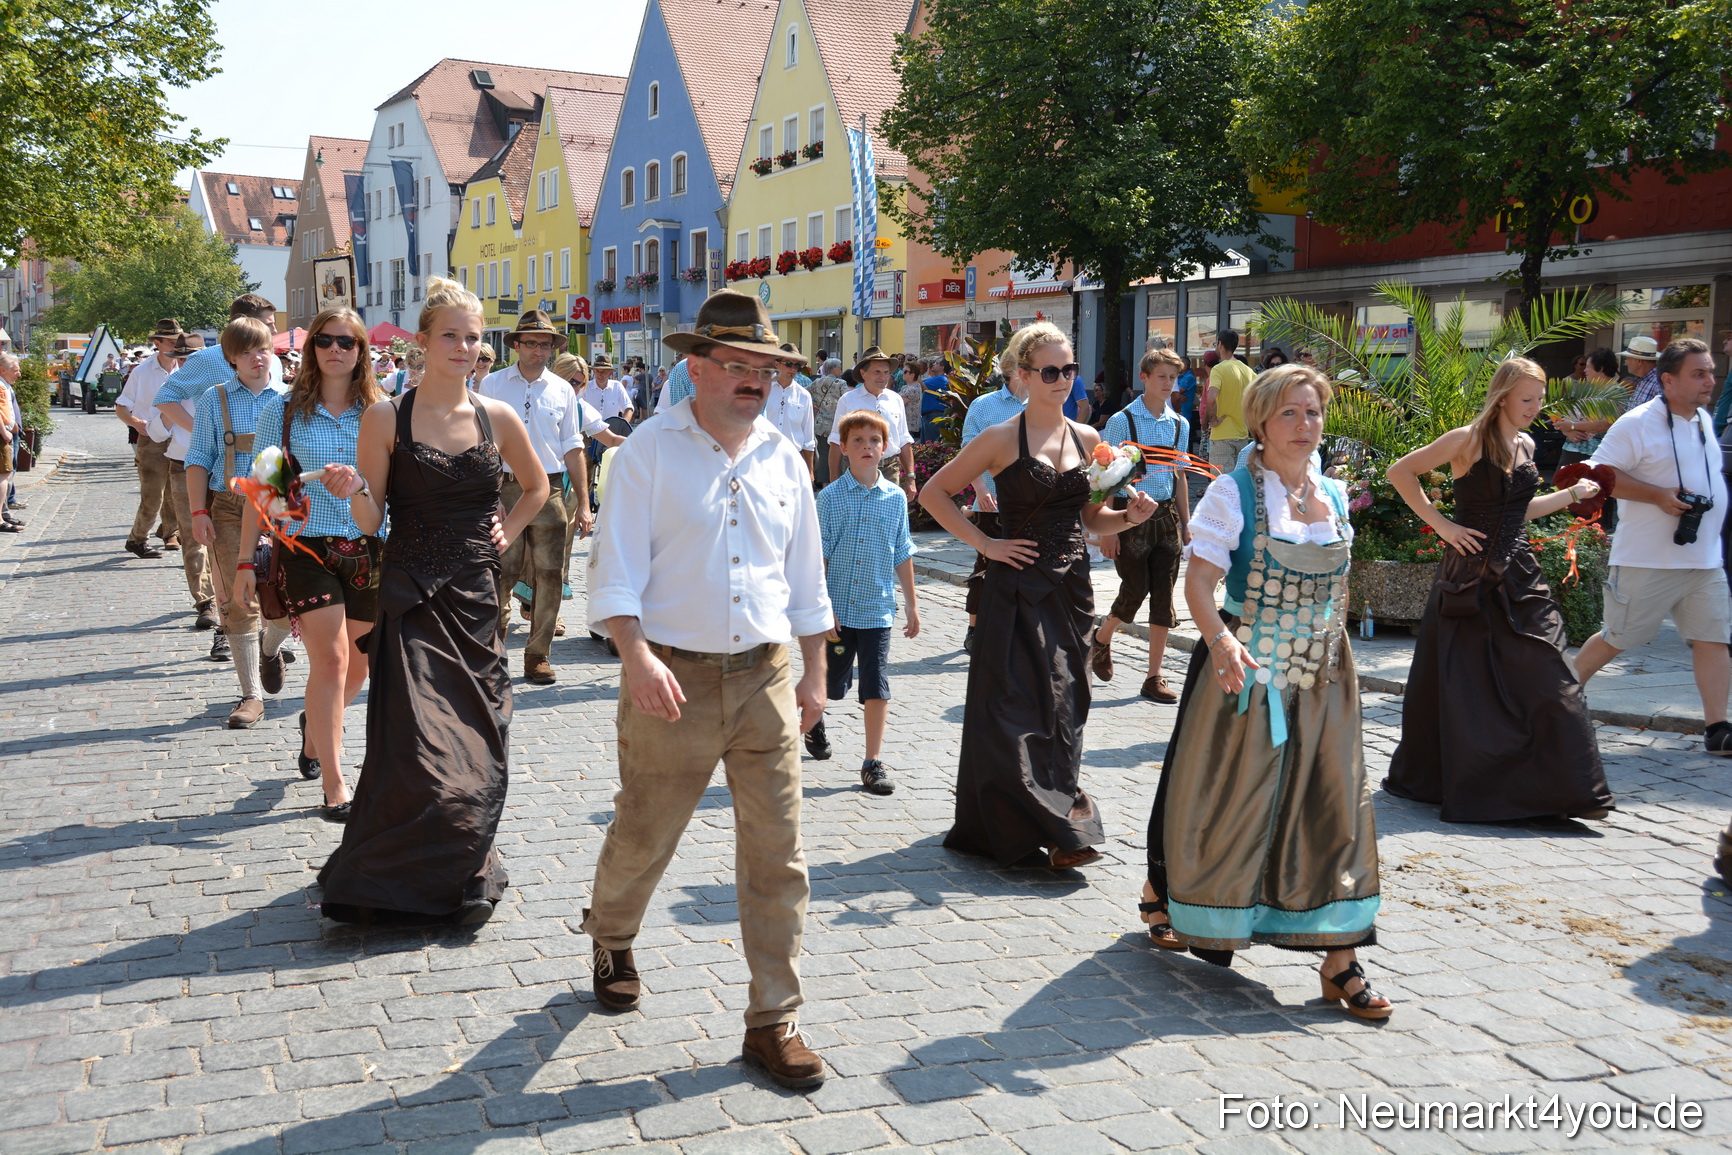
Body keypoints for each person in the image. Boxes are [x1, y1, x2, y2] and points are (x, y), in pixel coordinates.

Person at [583, 290, 831, 1089]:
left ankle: (773, 1018)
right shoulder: (648, 451)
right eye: (738, 365)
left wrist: (816, 667)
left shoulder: (785, 459)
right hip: (671, 678)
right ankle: (612, 934)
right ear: (696, 366)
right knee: (644, 832)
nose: (756, 379)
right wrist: (635, 656)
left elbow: (806, 577)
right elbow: (615, 568)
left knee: (778, 854)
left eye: (767, 368)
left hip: (765, 675)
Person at [1143, 363, 1390, 1019]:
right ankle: (1169, 891)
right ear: (1259, 421)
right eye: (1290, 412)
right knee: (1224, 799)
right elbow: (1199, 584)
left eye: (1313, 411)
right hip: (1248, 666)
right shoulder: (1234, 494)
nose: (1305, 424)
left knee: (1332, 805)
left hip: (1324, 675)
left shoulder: (1333, 493)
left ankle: (1341, 958)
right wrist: (1223, 643)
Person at [312, 278, 546, 927]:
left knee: (477, 736)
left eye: (473, 337)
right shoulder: (386, 417)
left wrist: (508, 530)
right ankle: (406, 874)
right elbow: (369, 520)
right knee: (418, 739)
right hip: (411, 592)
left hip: (475, 597)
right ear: (422, 341)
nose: (464, 347)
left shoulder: (498, 417)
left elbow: (537, 486)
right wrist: (355, 489)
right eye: (451, 336)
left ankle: (467, 865)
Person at [919, 322, 1156, 869]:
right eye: (1050, 371)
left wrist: (1129, 517)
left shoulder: (1089, 439)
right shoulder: (1000, 438)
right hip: (1016, 588)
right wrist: (987, 544)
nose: (1063, 379)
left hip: (1071, 589)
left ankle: (1057, 820)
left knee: (1067, 702)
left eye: (1069, 369)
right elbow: (934, 493)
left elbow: (1091, 518)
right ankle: (1050, 830)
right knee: (1016, 705)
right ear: (1023, 376)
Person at [1382, 357, 1614, 822]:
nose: (1535, 407)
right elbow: (1399, 472)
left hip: (1520, 574)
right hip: (1470, 577)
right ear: (1503, 396)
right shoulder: (1466, 439)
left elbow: (1520, 511)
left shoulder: (1526, 443)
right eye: (1527, 398)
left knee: (1549, 673)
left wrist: (1573, 494)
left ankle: (1554, 788)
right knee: (1464, 686)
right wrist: (1444, 526)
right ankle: (1476, 785)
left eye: (1539, 399)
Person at [238, 307, 385, 822]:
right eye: (325, 341)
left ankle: (314, 730)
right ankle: (335, 783)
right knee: (332, 660)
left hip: (368, 546)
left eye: (347, 342)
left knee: (360, 666)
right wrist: (244, 562)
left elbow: (394, 487)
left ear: (361, 350)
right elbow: (263, 492)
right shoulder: (282, 410)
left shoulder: (381, 411)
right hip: (306, 548)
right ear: (311, 349)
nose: (335, 350)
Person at [1577, 338, 1732, 755]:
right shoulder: (1637, 422)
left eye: (1710, 372)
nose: (1710, 381)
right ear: (1668, 380)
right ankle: (1560, 696)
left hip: (1703, 560)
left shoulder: (1702, 419)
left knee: (1713, 637)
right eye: (1698, 374)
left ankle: (1718, 728)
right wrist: (1658, 496)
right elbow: (1594, 474)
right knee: (1618, 637)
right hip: (1647, 559)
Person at [184, 317, 294, 728]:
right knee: (239, 598)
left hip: (282, 507)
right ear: (231, 358)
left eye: (262, 349)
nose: (256, 358)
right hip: (231, 507)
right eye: (245, 352)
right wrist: (198, 512)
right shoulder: (214, 399)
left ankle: (271, 647)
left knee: (289, 597)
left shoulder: (292, 397)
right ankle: (250, 695)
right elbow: (198, 458)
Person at [478, 310, 592, 685]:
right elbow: (480, 441)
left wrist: (585, 503)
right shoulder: (492, 384)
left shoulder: (562, 390)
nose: (538, 350)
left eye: (545, 344)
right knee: (500, 572)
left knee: (550, 575)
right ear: (516, 345)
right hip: (504, 487)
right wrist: (486, 492)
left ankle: (538, 655)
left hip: (550, 488)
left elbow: (573, 447)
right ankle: (492, 654)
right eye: (531, 343)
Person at [810, 409, 919, 794]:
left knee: (876, 684)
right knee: (830, 686)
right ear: (843, 448)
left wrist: (912, 604)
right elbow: (819, 556)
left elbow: (902, 551)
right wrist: (824, 606)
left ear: (885, 447)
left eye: (874, 440)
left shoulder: (895, 498)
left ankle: (872, 762)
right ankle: (813, 720)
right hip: (838, 611)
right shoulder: (830, 498)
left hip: (877, 608)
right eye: (857, 440)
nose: (866, 447)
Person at [1089, 348, 1192, 703]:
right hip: (1129, 516)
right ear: (1144, 378)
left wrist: (1186, 524)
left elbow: (1180, 476)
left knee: (1164, 598)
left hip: (1166, 517)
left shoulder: (1180, 423)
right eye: (1161, 376)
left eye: (1172, 378)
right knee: (1135, 590)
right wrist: (1107, 530)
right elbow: (1105, 477)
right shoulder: (1123, 420)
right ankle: (1101, 637)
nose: (1168, 383)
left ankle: (1153, 677)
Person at [958, 347, 1029, 653]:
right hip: (991, 502)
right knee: (985, 567)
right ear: (1012, 372)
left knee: (1026, 568)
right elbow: (967, 451)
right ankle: (975, 629)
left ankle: (1016, 629)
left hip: (1030, 504)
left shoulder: (1040, 405)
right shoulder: (984, 405)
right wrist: (979, 488)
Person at [114, 318, 185, 562]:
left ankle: (170, 532)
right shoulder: (142, 372)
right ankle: (137, 539)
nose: (176, 346)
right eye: (171, 342)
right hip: (152, 439)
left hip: (179, 437)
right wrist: (135, 422)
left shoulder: (185, 368)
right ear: (158, 343)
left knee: (177, 492)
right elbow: (121, 406)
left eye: (178, 341)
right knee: (153, 495)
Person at [827, 348, 916, 499]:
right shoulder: (848, 400)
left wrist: (910, 477)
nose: (883, 377)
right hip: (856, 472)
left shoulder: (896, 399)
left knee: (889, 513)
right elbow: (836, 440)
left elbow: (903, 439)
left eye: (886, 372)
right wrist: (834, 480)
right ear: (863, 373)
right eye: (877, 372)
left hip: (890, 470)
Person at [1555, 349, 1622, 472]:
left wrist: (1573, 426)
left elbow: (1605, 424)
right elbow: (1564, 415)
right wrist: (1567, 431)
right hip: (1572, 448)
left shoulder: (1616, 392)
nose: (1584, 370)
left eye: (1588, 367)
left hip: (1598, 455)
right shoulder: (1587, 389)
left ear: (1600, 368)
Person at [1206, 329, 1254, 472]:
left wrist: (1213, 420)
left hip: (1222, 434)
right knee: (1240, 481)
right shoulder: (1248, 371)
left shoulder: (1218, 369)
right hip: (1242, 435)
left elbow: (1211, 398)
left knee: (1222, 482)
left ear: (1220, 344)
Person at [767, 342, 817, 477]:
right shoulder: (763, 389)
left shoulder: (804, 395)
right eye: (789, 364)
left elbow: (808, 438)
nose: (793, 369)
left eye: (797, 365)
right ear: (776, 364)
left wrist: (810, 471)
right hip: (763, 458)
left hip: (792, 462)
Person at [809, 358, 849, 488]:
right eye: (840, 367)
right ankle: (836, 483)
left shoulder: (817, 382)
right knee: (837, 455)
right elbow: (847, 399)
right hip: (836, 424)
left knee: (823, 455)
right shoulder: (841, 383)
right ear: (834, 368)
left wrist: (812, 404)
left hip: (820, 424)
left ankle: (824, 483)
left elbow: (804, 392)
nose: (841, 370)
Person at [1622, 335, 1661, 408]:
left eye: (1628, 359)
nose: (1626, 363)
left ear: (1639, 361)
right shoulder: (1641, 380)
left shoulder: (1658, 383)